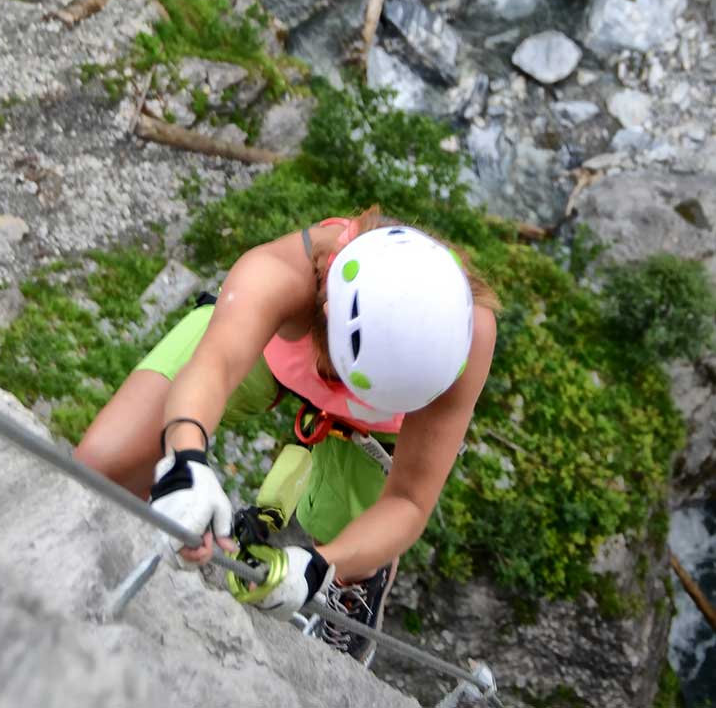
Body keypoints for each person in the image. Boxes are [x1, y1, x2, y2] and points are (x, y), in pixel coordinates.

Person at [75, 207, 499, 662]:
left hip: (381, 425)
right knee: (103, 465)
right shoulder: (284, 273)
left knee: (351, 536)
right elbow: (214, 366)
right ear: (328, 307)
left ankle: (355, 586)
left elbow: (410, 500)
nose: (336, 384)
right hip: (276, 351)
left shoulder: (465, 336)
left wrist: (322, 567)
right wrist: (184, 458)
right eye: (338, 370)